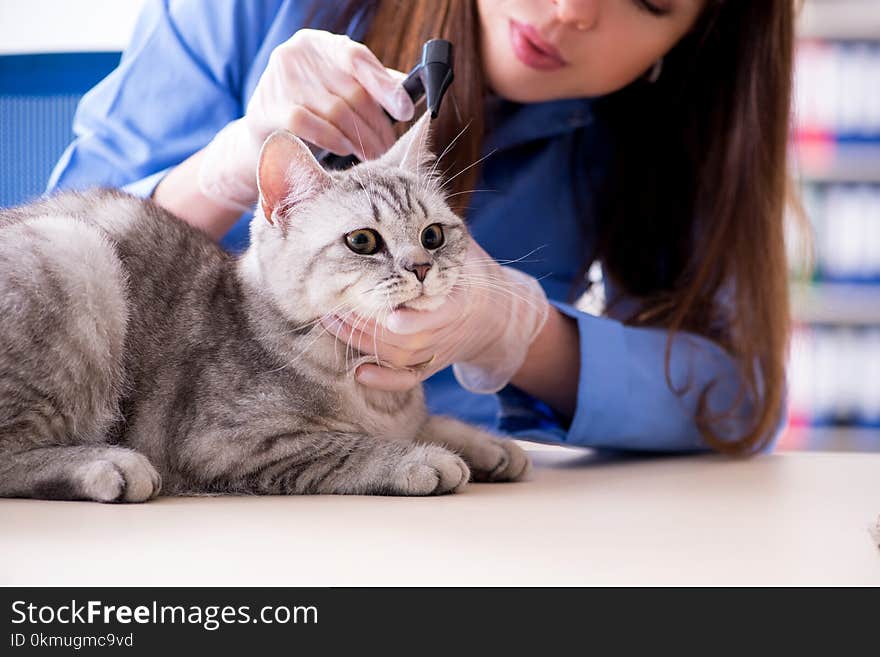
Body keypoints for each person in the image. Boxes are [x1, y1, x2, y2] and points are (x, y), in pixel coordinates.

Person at [47, 0, 796, 454]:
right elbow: (42, 280)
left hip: (466, 522)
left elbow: (739, 399)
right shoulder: (239, 10)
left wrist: (516, 332)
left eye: (649, 0)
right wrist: (226, 171)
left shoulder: (659, 132)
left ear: (693, 41)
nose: (572, 10)